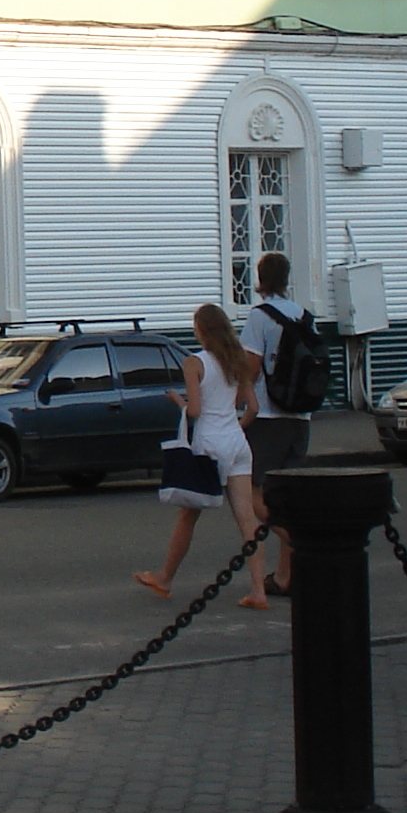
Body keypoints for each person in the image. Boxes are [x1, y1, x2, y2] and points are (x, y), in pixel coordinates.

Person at [137, 303, 270, 608]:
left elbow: (195, 411)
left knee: (187, 513)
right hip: (237, 443)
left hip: (209, 444)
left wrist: (178, 402)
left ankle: (165, 577)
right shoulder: (237, 360)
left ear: (201, 330)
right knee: (247, 519)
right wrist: (236, 426)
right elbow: (253, 408)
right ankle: (258, 590)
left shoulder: (194, 363)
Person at [235, 253, 317, 595]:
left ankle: (301, 542)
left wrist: (236, 406)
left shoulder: (259, 317)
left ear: (260, 278)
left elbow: (252, 367)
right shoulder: (304, 315)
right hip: (300, 415)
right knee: (286, 498)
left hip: (268, 417)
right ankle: (285, 577)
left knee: (250, 492)